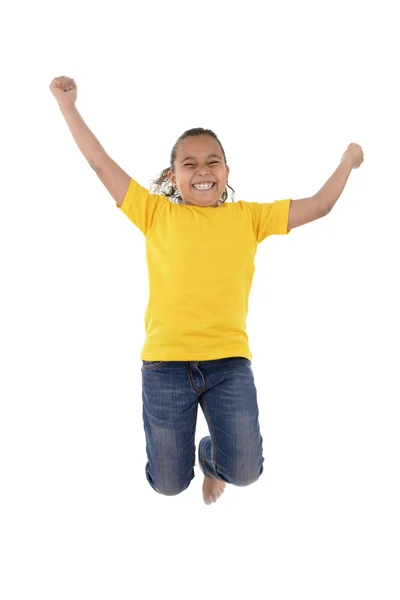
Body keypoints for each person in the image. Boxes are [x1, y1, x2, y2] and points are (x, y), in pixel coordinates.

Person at [49, 76, 364, 505]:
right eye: (190, 164)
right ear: (173, 176)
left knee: (246, 471)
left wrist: (347, 161)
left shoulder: (249, 218)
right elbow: (100, 163)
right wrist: (68, 106)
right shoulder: (154, 212)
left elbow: (320, 205)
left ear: (227, 172)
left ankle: (212, 461)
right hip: (165, 367)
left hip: (228, 364)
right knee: (168, 485)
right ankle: (190, 464)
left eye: (212, 162)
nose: (202, 171)